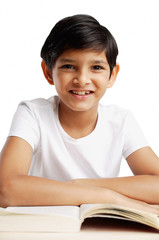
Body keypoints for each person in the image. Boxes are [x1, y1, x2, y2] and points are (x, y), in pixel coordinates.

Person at [0, 14, 159, 215]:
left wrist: (83, 184)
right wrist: (106, 196)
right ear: (48, 71)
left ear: (112, 74)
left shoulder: (121, 121)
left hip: (100, 228)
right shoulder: (32, 114)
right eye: (68, 66)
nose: (82, 79)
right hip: (45, 227)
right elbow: (6, 188)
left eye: (96, 67)